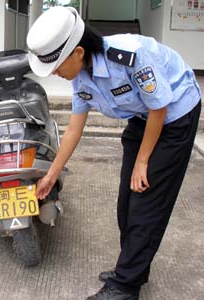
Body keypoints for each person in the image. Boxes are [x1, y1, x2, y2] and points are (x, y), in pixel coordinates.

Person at [26, 6, 202, 300]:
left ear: (78, 52)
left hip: (174, 115)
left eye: (57, 65)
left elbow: (160, 107)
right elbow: (73, 130)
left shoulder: (130, 57)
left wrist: (143, 161)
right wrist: (51, 175)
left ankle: (124, 287)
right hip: (142, 116)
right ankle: (133, 267)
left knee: (147, 202)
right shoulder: (81, 78)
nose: (55, 73)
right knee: (126, 203)